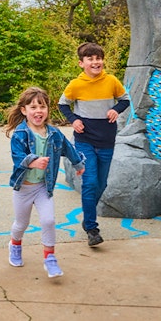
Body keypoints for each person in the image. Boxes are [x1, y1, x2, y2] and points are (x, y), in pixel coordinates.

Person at [5, 86, 85, 278]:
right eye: (33, 107)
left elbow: (68, 148)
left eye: (42, 106)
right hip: (23, 188)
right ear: (24, 110)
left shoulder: (54, 133)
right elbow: (18, 157)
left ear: (48, 109)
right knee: (21, 224)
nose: (38, 111)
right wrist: (33, 161)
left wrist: (78, 164)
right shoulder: (20, 134)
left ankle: (50, 259)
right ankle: (15, 245)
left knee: (48, 220)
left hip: (43, 187)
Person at [58, 42, 130, 247]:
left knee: (101, 184)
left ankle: (88, 214)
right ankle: (91, 227)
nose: (95, 62)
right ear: (82, 63)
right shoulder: (76, 84)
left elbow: (125, 100)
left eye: (98, 58)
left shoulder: (112, 81)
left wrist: (116, 109)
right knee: (89, 183)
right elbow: (62, 104)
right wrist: (74, 120)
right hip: (85, 141)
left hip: (107, 140)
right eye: (90, 58)